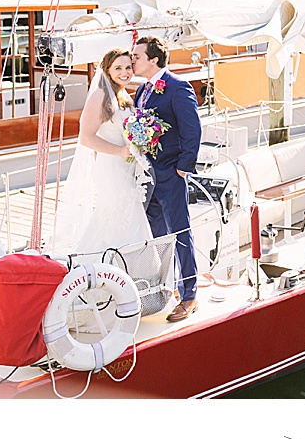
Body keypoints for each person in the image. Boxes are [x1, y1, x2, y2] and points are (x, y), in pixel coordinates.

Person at [45, 49, 153, 256]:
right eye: (118, 68)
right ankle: (98, 263)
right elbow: (87, 138)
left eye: (128, 67)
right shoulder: (100, 95)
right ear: (107, 70)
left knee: (128, 216)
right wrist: (121, 150)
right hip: (111, 168)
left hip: (127, 168)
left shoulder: (122, 94)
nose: (125, 72)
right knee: (112, 216)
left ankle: (128, 267)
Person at [132, 36, 202, 322]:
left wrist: (183, 168)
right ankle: (167, 287)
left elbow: (192, 130)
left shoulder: (177, 86)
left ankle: (190, 296)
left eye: (137, 56)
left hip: (172, 174)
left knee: (180, 234)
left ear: (153, 60)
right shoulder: (140, 91)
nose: (132, 60)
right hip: (148, 177)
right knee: (159, 237)